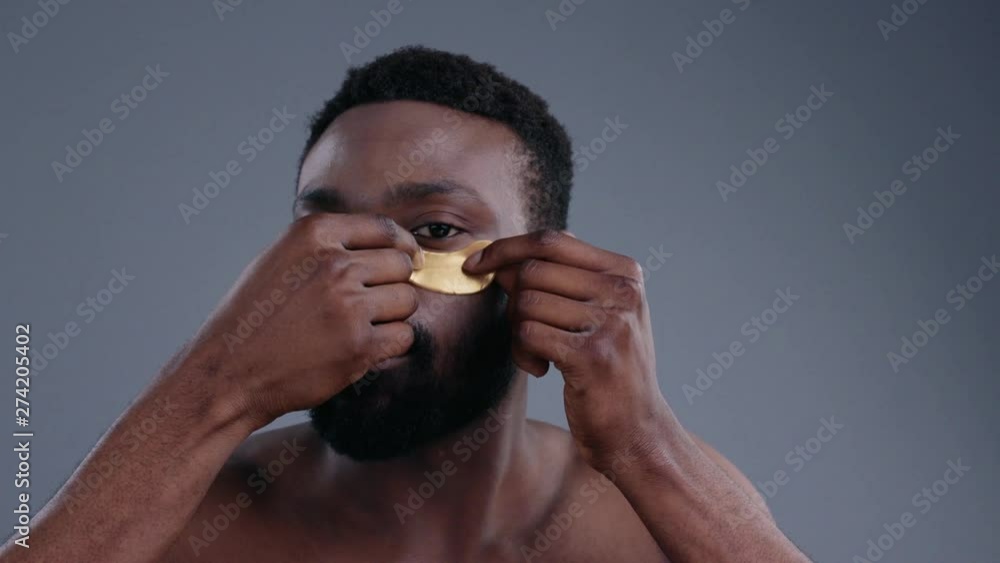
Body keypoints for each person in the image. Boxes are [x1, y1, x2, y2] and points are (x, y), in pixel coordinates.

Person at [2, 46, 811, 562]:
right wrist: (218, 380)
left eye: (435, 227)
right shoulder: (177, 522)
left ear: (544, 267)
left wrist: (647, 444)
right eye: (322, 230)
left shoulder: (649, 518)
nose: (351, 276)